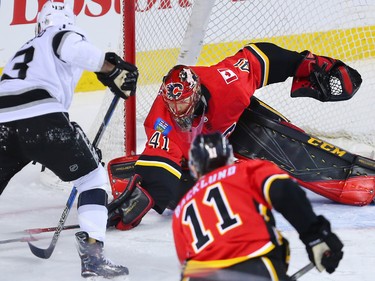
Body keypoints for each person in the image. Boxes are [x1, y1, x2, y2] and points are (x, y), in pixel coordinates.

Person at [107, 40, 371, 231]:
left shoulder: (226, 84)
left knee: (293, 152)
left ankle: (364, 181)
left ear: (197, 92)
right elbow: (159, 173)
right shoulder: (161, 121)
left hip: (236, 125)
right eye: (173, 106)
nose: (179, 113)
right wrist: (138, 201)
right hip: (194, 159)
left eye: (184, 104)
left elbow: (258, 58)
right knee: (215, 200)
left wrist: (307, 64)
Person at [0, 1, 138, 278]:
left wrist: (106, 69)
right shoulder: (62, 33)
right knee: (91, 179)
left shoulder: (27, 46)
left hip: (3, 119)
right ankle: (93, 255)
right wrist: (110, 68)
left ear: (39, 23)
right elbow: (71, 47)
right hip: (40, 119)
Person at [172, 132, 344, 281]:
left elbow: (186, 261)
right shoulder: (246, 171)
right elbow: (284, 191)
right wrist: (315, 235)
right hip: (252, 267)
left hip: (197, 275)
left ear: (194, 168)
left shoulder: (182, 207)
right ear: (229, 156)